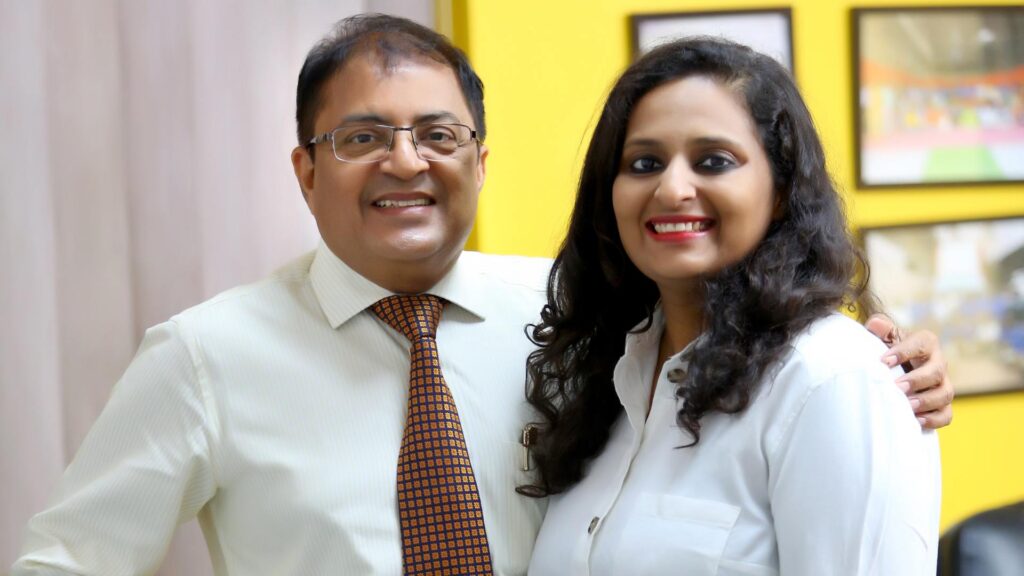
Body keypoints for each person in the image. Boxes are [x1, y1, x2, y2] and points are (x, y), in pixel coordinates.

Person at [12, 16, 950, 576]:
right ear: (305, 170)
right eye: (361, 138)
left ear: (480, 161)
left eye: (439, 134)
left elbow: (782, 367)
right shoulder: (201, 357)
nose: (406, 162)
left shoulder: (576, 317)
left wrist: (888, 372)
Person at [525, 38, 941, 575]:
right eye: (644, 162)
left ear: (782, 190)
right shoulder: (598, 378)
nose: (672, 189)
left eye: (714, 161)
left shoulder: (831, 378)